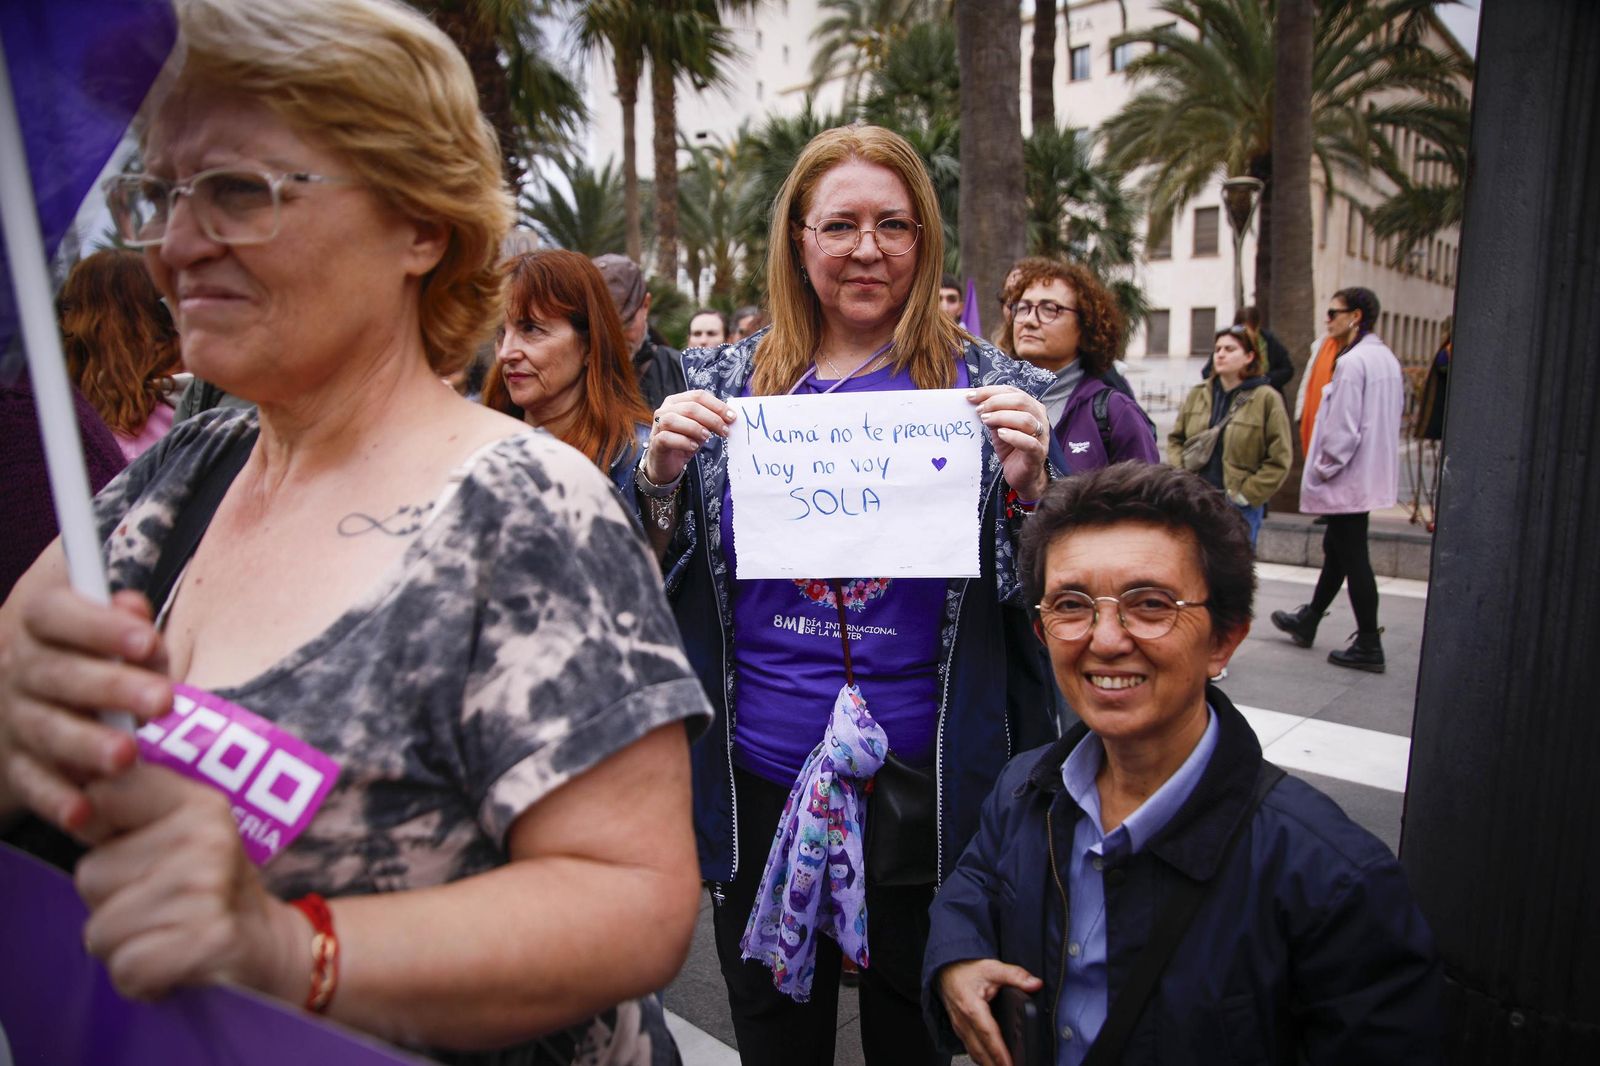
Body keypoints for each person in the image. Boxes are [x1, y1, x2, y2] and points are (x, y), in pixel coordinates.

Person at [0, 2, 707, 1064]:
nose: (178, 247)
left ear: (421, 224)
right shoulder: (186, 466)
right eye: (160, 195)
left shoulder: (524, 508)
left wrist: (291, 952)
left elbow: (635, 901)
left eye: (238, 191)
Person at [636, 124, 1064, 1066]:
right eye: (840, 226)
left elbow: (1053, 597)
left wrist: (1035, 492)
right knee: (775, 1034)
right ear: (798, 239)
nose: (867, 248)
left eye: (894, 225)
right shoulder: (719, 383)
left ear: (927, 241)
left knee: (915, 1034)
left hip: (932, 790)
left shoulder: (990, 386)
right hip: (760, 783)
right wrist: (660, 473)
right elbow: (643, 577)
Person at [923, 462, 1441, 1066]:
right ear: (1042, 633)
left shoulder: (1334, 880)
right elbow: (973, 883)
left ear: (1224, 639)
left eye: (1150, 604)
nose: (1106, 639)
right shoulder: (1026, 785)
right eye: (1071, 604)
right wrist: (955, 960)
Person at [1271, 287, 1403, 672]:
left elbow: (1342, 430)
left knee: (1354, 556)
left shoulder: (1352, 362)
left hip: (1346, 476)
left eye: (1334, 312)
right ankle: (1310, 618)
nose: (1327, 319)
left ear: (1356, 316)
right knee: (1338, 548)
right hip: (1366, 474)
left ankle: (1368, 642)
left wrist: (1324, 468)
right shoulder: (1386, 360)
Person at [482, 249, 653, 500]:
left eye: (531, 329)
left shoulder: (637, 459)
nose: (506, 353)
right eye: (500, 333)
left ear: (589, 344)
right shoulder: (475, 441)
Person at [997, 258, 1159, 474]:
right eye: (1022, 308)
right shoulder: (994, 401)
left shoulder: (1115, 413)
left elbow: (1149, 501)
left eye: (1049, 309)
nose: (1029, 320)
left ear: (1086, 325)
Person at [1167, 325, 1292, 544]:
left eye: (1230, 349)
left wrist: (1247, 494)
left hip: (1238, 505)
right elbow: (1176, 440)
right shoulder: (1198, 394)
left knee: (1235, 572)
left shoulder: (1266, 399)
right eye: (1217, 349)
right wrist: (1181, 476)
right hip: (1195, 501)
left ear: (1249, 356)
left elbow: (1279, 458)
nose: (1221, 354)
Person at [56, 248, 185, 460]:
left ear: (93, 320)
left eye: (69, 307)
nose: (63, 322)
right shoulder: (194, 381)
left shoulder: (133, 411)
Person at [593, 253, 685, 411]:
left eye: (625, 324)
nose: (616, 339)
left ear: (646, 305)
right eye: (603, 328)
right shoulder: (572, 378)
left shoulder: (680, 370)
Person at [1201, 304, 1293, 395]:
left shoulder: (1268, 342)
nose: (1248, 334)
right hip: (1232, 395)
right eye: (1243, 329)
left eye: (1251, 329)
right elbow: (1207, 372)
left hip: (1263, 394)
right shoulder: (1229, 342)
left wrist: (1265, 379)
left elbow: (1287, 370)